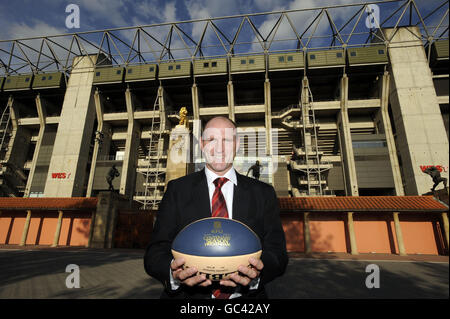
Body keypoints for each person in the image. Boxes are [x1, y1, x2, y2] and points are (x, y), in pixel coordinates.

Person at [144, 116, 288, 299]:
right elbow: (155, 252)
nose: (219, 148)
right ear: (202, 145)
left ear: (236, 145)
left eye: (226, 140)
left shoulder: (263, 193)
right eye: (212, 140)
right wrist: (174, 275)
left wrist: (258, 274)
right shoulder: (177, 190)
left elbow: (278, 253)